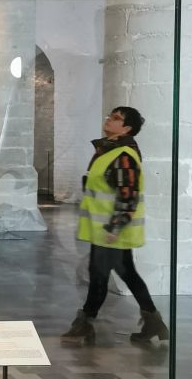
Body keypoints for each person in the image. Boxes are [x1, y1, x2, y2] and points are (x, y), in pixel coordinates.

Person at [61, 106, 169, 344]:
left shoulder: (122, 155)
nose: (109, 119)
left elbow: (128, 195)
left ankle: (85, 323)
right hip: (107, 230)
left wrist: (115, 227)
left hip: (112, 231)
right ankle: (153, 323)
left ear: (127, 128)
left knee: (99, 276)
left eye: (116, 118)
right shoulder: (109, 150)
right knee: (126, 274)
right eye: (111, 115)